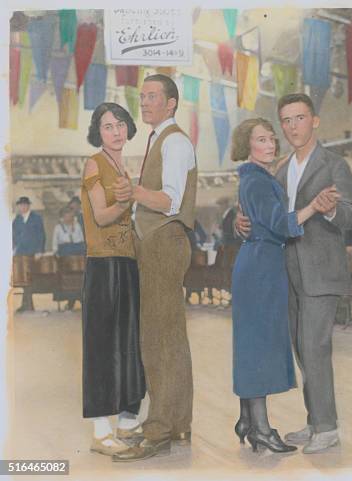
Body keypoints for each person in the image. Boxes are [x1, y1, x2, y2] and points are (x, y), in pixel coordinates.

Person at [236, 93, 352, 453]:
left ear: (315, 121)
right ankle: (314, 419)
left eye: (299, 118)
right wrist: (242, 223)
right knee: (301, 350)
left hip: (322, 271)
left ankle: (326, 427)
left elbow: (351, 216)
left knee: (314, 345)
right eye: (285, 121)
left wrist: (330, 210)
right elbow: (267, 216)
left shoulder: (334, 164)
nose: (292, 127)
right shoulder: (278, 167)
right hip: (284, 272)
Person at [112, 74, 198, 462]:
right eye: (142, 96)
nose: (144, 103)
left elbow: (172, 201)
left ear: (172, 102)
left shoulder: (175, 141)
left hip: (165, 241)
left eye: (152, 97)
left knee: (158, 340)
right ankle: (177, 424)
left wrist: (135, 193)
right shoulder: (156, 138)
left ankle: (159, 431)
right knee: (169, 338)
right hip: (156, 242)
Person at [80, 102, 146, 456]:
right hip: (103, 264)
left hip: (127, 261)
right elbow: (103, 217)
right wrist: (128, 201)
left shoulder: (124, 167)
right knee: (103, 345)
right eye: (107, 126)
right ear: (98, 132)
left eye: (120, 124)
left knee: (129, 341)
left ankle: (127, 421)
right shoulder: (94, 163)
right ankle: (101, 431)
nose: (116, 131)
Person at [12, 196, 45, 312]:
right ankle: (26, 304)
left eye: (25, 205)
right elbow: (13, 236)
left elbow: (41, 235)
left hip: (32, 253)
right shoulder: (17, 219)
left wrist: (39, 251)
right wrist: (14, 249)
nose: (22, 207)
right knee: (23, 279)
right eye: (21, 205)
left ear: (28, 206)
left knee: (30, 278)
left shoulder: (36, 218)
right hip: (21, 253)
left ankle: (28, 305)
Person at [52, 205, 86, 310]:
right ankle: (70, 302)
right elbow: (55, 243)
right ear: (62, 217)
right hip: (65, 256)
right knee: (67, 280)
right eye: (67, 216)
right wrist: (56, 253)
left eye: (71, 216)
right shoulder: (58, 227)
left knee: (79, 279)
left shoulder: (77, 225)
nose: (69, 218)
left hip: (77, 256)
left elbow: (81, 240)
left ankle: (82, 300)